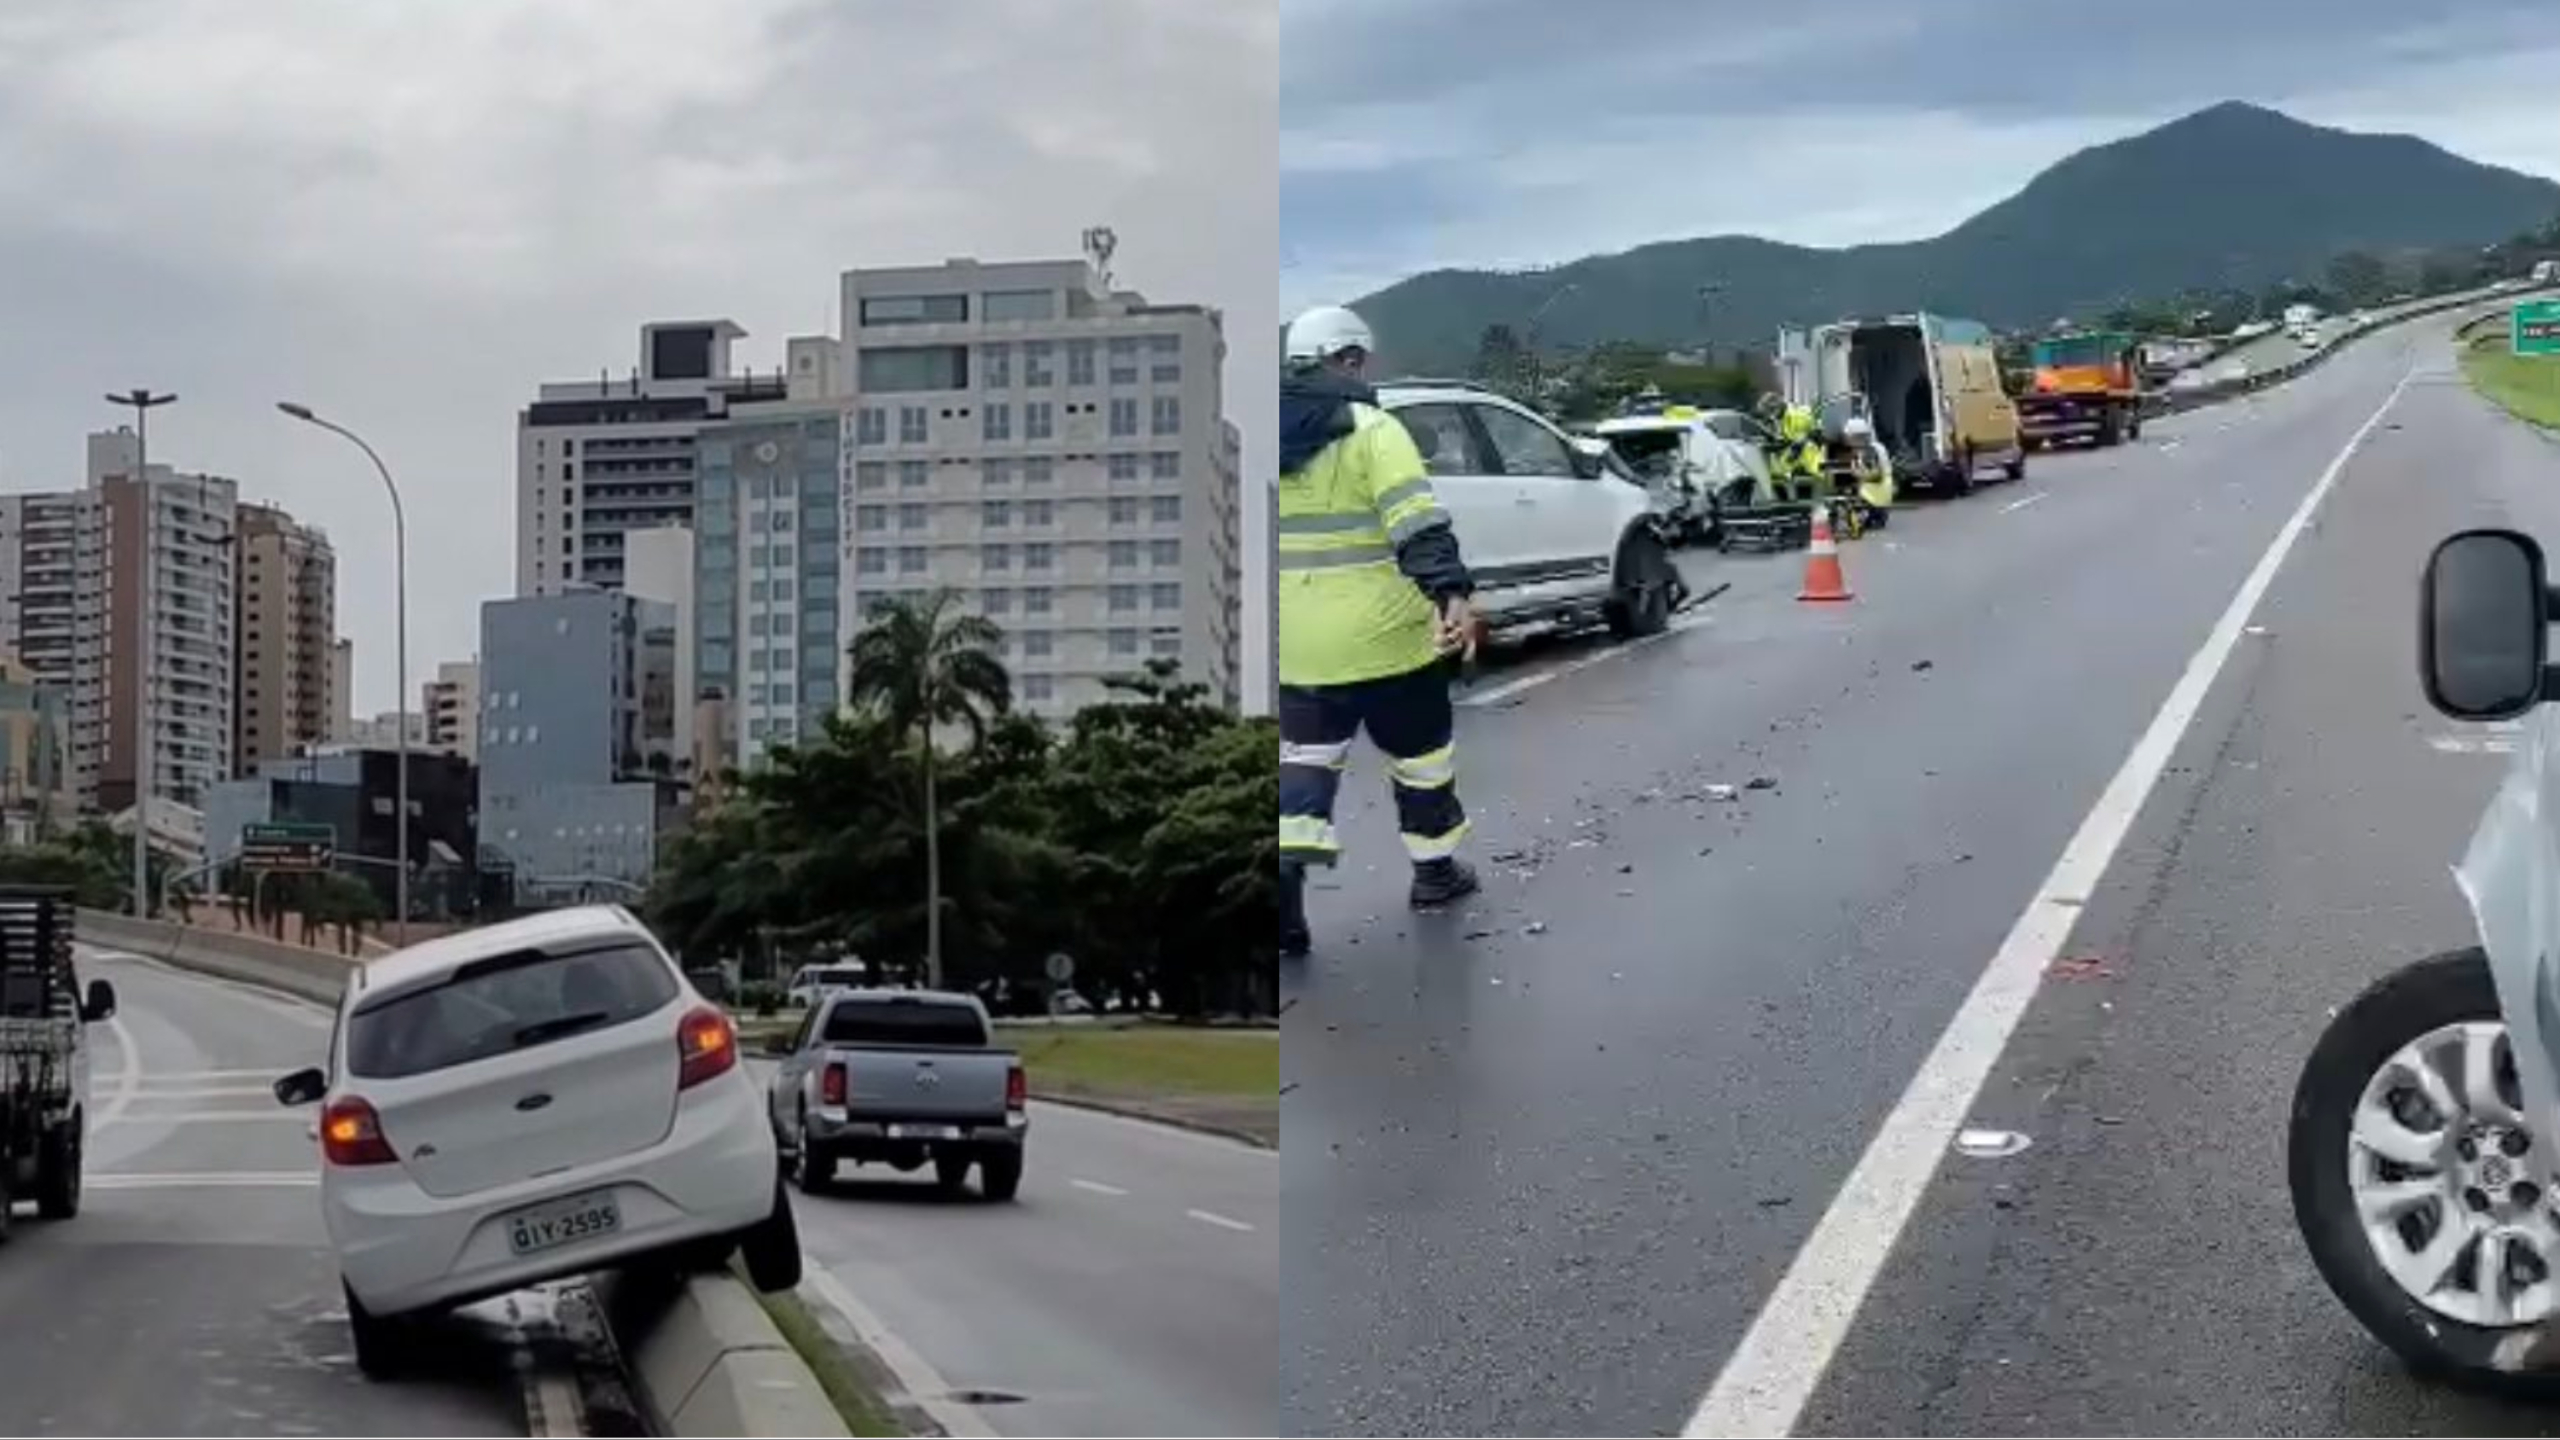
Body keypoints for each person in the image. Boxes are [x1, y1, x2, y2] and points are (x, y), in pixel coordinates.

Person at [1276, 304, 1481, 960]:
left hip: (1302, 652)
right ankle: (1434, 875)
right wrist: (1452, 596)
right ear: (1352, 360)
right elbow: (1418, 526)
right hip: (1391, 644)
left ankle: (1283, 900)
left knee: (1303, 777)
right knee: (1421, 762)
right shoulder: (1374, 431)